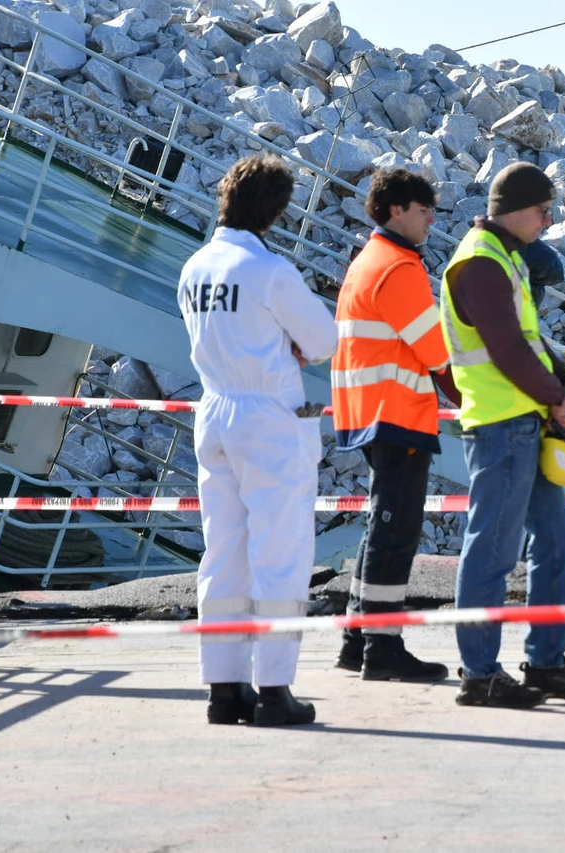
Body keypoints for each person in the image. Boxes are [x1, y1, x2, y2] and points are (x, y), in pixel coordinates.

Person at [440, 161, 565, 708]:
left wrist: (561, 380)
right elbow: (507, 350)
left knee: (558, 543)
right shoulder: (481, 264)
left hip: (522, 424)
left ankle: (545, 663)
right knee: (492, 549)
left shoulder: (504, 258)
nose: (548, 221)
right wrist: (555, 397)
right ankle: (479, 673)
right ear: (514, 209)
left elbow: (530, 339)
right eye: (543, 211)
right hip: (500, 425)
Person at [178, 153, 338, 726]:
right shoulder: (269, 270)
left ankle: (224, 687)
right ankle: (274, 689)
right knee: (281, 553)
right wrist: (290, 345)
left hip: (215, 406)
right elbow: (321, 340)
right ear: (275, 211)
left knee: (222, 553)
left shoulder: (194, 267)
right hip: (268, 415)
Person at [331, 168, 461, 682]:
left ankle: (356, 638)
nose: (432, 218)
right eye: (423, 208)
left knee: (378, 527)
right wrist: (468, 402)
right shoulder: (399, 268)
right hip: (397, 414)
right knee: (396, 531)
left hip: (369, 412)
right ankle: (381, 649)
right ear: (395, 210)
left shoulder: (367, 261)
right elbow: (436, 354)